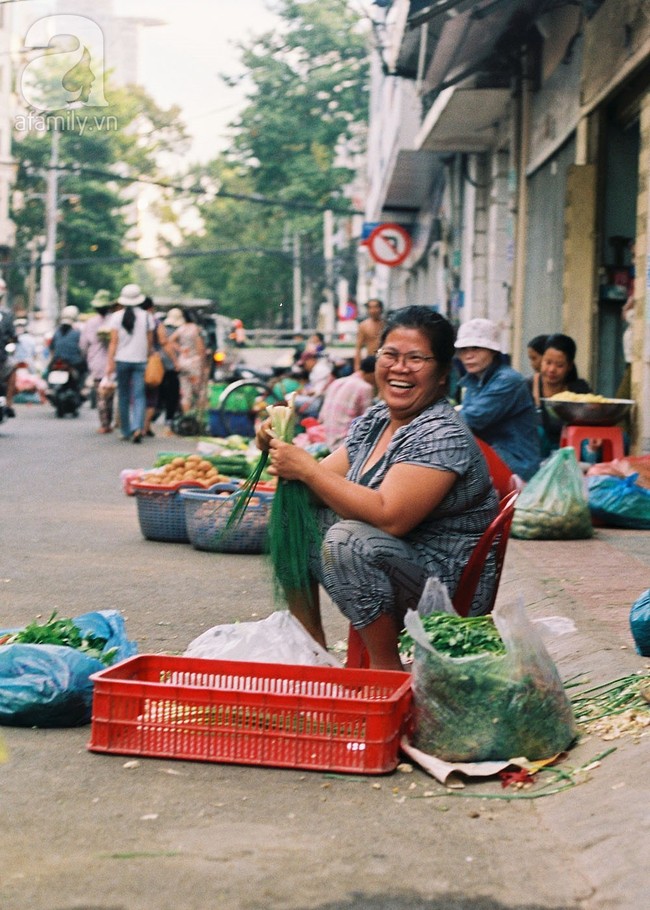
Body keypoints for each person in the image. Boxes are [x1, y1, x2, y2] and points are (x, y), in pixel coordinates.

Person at [257, 305, 499, 670]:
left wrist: (306, 469)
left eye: (416, 358)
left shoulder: (441, 433)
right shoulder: (376, 420)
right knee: (294, 514)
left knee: (346, 539)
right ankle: (312, 656)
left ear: (443, 372)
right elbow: (314, 488)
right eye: (390, 355)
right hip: (397, 560)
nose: (400, 368)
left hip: (447, 582)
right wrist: (279, 447)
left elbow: (391, 517)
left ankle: (385, 673)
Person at [454, 318, 540, 482]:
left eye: (476, 348)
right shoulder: (473, 380)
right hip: (491, 457)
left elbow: (470, 419)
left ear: (493, 351)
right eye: (464, 350)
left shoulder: (508, 380)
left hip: (515, 464)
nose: (468, 355)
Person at [105, 283, 154, 444]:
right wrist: (146, 357)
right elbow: (149, 342)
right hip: (140, 361)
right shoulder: (147, 317)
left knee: (124, 396)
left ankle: (126, 430)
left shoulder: (116, 317)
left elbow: (113, 342)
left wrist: (110, 363)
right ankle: (137, 428)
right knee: (139, 396)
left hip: (122, 360)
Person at [529, 332, 592, 455]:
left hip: (572, 453)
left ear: (569, 366)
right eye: (548, 362)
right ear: (542, 361)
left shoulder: (579, 389)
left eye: (559, 365)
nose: (552, 370)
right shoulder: (526, 387)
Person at [319, 354, 377, 451]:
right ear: (373, 373)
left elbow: (321, 418)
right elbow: (367, 424)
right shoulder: (365, 388)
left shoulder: (337, 382)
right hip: (345, 447)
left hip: (328, 442)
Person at [140, 297, 177, 437]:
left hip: (133, 359)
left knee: (137, 394)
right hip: (151, 363)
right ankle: (145, 426)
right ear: (151, 308)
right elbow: (164, 342)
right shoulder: (155, 322)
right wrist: (174, 361)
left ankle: (137, 425)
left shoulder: (131, 320)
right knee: (151, 395)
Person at [79, 290, 116, 434]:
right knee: (110, 395)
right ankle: (110, 422)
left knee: (101, 395)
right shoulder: (114, 320)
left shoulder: (90, 323)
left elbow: (83, 345)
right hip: (113, 363)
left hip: (96, 363)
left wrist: (85, 357)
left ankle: (104, 424)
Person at [166, 307, 207, 414]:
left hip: (183, 362)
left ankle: (187, 418)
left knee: (185, 393)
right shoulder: (196, 329)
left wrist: (181, 350)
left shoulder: (181, 328)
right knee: (199, 391)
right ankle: (197, 419)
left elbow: (170, 340)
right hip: (194, 363)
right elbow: (201, 348)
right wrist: (204, 364)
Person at [158, 308, 183, 436]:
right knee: (172, 395)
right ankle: (169, 419)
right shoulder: (179, 330)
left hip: (161, 366)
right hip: (173, 367)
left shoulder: (161, 328)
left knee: (162, 393)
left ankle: (161, 416)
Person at [293, 345, 334, 418]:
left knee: (292, 400)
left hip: (322, 403)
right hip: (320, 400)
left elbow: (318, 392)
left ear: (311, 360)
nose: (304, 367)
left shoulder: (320, 369)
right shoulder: (316, 369)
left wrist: (303, 392)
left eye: (305, 363)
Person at [48, 306, 86, 378]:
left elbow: (51, 348)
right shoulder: (77, 332)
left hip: (58, 360)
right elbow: (82, 348)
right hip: (73, 362)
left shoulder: (57, 332)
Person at [0, 279, 18, 417]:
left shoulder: (6, 314)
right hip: (2, 356)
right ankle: (9, 402)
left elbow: (13, 336)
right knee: (13, 369)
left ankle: (9, 402)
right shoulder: (6, 314)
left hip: (2, 356)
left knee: (12, 366)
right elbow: (13, 335)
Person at [353, 298, 385, 371]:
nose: (373, 310)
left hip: (384, 360)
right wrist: (357, 366)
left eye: (376, 307)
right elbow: (358, 348)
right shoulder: (363, 326)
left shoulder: (387, 325)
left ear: (381, 309)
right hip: (371, 361)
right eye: (370, 307)